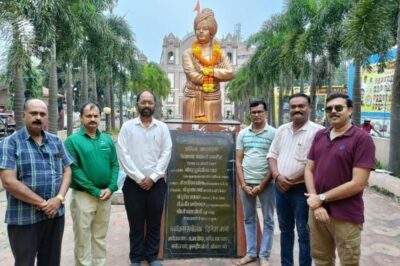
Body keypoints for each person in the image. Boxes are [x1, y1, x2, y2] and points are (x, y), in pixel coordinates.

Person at [304, 93, 375, 266]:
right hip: (317, 213)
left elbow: (358, 183)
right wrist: (316, 203)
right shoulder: (320, 135)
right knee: (321, 259)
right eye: (329, 108)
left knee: (348, 262)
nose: (333, 111)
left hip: (346, 215)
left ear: (350, 110)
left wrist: (321, 198)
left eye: (338, 108)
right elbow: (308, 169)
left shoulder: (362, 139)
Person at [0, 99, 73, 266]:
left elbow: (67, 170)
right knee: (24, 262)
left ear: (47, 117)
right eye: (33, 113)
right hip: (24, 218)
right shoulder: (10, 143)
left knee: (51, 262)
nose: (38, 117)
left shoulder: (55, 141)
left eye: (42, 114)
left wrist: (59, 199)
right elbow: (9, 182)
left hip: (55, 216)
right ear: (24, 115)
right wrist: (44, 204)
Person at [267, 93, 324, 266]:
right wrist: (277, 176)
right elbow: (272, 155)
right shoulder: (282, 129)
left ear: (310, 107)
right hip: (280, 188)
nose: (297, 109)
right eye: (293, 107)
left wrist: (290, 180)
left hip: (302, 191)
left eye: (301, 106)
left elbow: (316, 163)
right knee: (285, 230)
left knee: (304, 232)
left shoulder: (319, 133)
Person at [117, 91, 172, 266]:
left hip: (156, 184)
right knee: (136, 223)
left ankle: (152, 257)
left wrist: (154, 177)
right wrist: (140, 177)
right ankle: (136, 257)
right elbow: (123, 154)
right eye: (143, 102)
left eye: (150, 102)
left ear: (155, 105)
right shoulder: (127, 127)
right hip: (133, 184)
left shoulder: (162, 128)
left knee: (154, 222)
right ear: (137, 104)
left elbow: (166, 153)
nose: (146, 105)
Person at [64, 102, 119, 266]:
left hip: (105, 196)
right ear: (81, 118)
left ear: (100, 117)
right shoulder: (72, 141)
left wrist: (111, 187)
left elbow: (114, 165)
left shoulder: (107, 140)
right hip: (83, 196)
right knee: (82, 237)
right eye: (88, 116)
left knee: (100, 237)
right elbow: (75, 170)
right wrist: (95, 191)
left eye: (95, 116)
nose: (92, 119)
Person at [236, 100, 276, 266]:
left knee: (268, 219)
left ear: (265, 113)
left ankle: (264, 255)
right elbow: (238, 161)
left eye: (260, 112)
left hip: (267, 184)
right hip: (246, 183)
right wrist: (244, 185)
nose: (257, 115)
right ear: (250, 114)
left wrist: (262, 185)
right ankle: (251, 253)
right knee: (249, 219)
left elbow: (275, 161)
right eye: (254, 112)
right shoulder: (243, 134)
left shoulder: (274, 133)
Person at [182, 8, 235, 122]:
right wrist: (217, 75)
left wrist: (210, 71)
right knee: (188, 137)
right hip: (192, 99)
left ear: (211, 32)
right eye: (198, 28)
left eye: (205, 29)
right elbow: (193, 76)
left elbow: (231, 72)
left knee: (214, 136)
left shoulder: (219, 53)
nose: (200, 31)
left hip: (213, 99)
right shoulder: (188, 53)